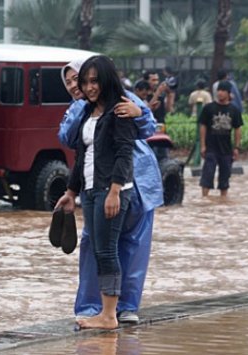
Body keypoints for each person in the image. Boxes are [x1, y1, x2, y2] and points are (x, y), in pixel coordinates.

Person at [59, 60, 162, 325]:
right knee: (96, 245)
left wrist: (137, 110)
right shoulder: (81, 110)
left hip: (134, 184)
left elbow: (147, 129)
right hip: (99, 184)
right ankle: (93, 307)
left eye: (79, 78)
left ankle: (124, 308)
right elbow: (70, 142)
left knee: (133, 246)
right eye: (70, 81)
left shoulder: (123, 101)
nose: (75, 86)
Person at [199, 81, 243, 198]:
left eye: (223, 91)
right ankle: (205, 198)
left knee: (225, 177)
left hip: (226, 149)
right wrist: (203, 145)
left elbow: (238, 129)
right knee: (207, 175)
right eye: (219, 90)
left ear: (229, 93)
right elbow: (202, 126)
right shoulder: (208, 108)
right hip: (211, 147)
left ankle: (223, 199)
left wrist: (237, 147)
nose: (220, 93)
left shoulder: (234, 110)